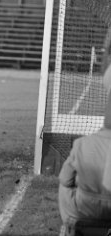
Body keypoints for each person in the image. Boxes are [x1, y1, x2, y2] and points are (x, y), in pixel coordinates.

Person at [58, 63, 111, 232]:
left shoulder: (82, 144)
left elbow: (65, 180)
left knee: (66, 182)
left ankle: (71, 224)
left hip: (83, 212)